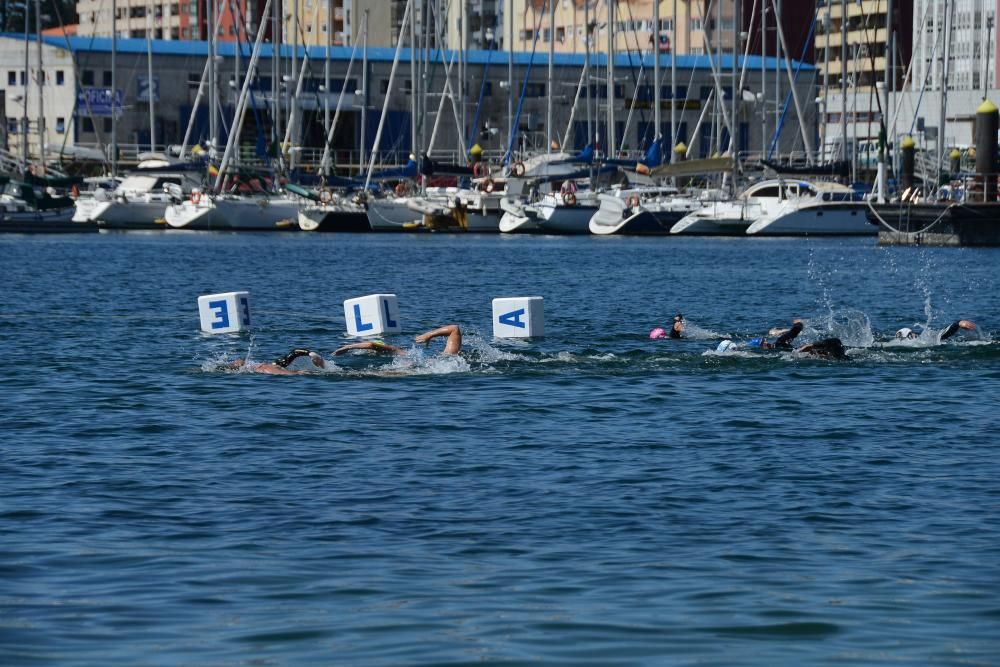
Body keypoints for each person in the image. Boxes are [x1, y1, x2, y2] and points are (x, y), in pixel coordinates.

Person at [333, 325, 463, 357]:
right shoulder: (449, 357)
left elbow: (371, 345)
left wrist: (348, 347)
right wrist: (429, 335)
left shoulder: (403, 353)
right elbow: (454, 329)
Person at [226, 348, 326, 375]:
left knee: (292, 356)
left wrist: (296, 373)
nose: (237, 361)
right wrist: (297, 373)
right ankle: (310, 353)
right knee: (293, 354)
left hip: (272, 366)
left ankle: (310, 354)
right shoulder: (258, 367)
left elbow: (280, 372)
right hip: (273, 366)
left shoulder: (258, 368)